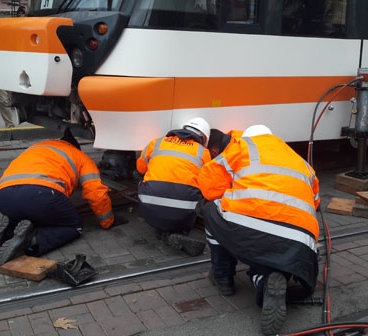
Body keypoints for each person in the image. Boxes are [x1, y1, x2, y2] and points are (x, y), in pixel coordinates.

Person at [198, 125, 320, 335]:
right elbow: (315, 202)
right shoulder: (301, 161)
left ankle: (222, 276)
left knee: (210, 209)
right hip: (301, 243)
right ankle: (265, 281)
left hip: (250, 229)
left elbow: (209, 188)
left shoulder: (241, 147)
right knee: (273, 250)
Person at [0, 128, 116, 266]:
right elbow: (96, 193)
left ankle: (5, 233)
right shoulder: (80, 157)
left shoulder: (38, 147)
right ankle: (31, 241)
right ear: (76, 147)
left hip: (4, 197)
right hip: (40, 195)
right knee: (73, 226)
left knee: (30, 215)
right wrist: (107, 221)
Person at [136, 117, 211, 256]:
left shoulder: (156, 143)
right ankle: (177, 231)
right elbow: (208, 182)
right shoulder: (203, 153)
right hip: (183, 215)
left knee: (144, 177)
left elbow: (140, 168)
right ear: (203, 137)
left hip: (148, 209)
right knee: (201, 189)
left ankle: (162, 228)